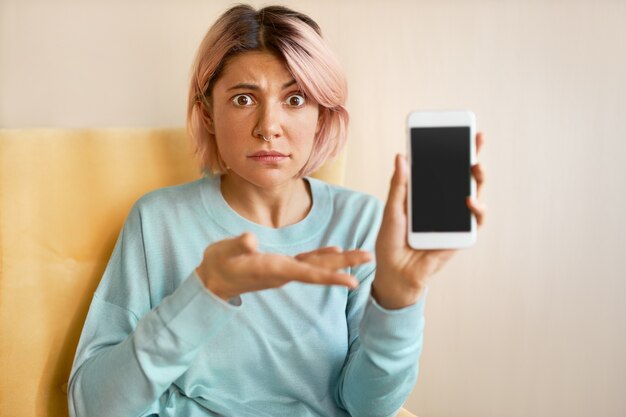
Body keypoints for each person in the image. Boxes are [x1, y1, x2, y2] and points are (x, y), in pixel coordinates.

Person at [67, 4, 486, 417]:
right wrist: (205, 292)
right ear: (208, 112)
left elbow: (367, 406)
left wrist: (398, 301)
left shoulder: (361, 223)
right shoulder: (157, 221)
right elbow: (93, 406)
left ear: (322, 116)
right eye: (244, 98)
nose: (269, 126)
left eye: (296, 98)